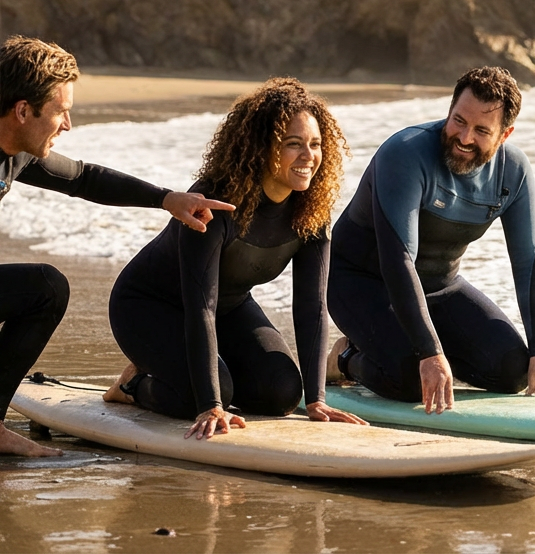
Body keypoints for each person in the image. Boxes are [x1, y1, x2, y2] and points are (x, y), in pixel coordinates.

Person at [0, 35, 236, 456]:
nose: (68, 125)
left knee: (45, 288)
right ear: (22, 111)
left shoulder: (15, 148)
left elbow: (83, 178)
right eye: (62, 112)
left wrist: (167, 199)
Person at [104, 79, 367, 439]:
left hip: (228, 308)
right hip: (148, 307)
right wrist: (211, 402)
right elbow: (201, 308)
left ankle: (196, 371)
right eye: (293, 144)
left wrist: (316, 400)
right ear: (262, 147)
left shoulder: (310, 212)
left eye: (316, 144)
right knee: (209, 394)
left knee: (281, 392)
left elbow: (311, 307)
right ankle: (134, 386)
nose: (309, 156)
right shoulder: (215, 204)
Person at [327, 66, 535, 415]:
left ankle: (406, 345)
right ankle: (346, 358)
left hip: (439, 286)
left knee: (512, 371)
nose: (464, 137)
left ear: (505, 134)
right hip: (361, 280)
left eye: (481, 130)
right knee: (411, 378)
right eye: (458, 121)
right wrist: (430, 353)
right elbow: (398, 260)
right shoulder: (405, 154)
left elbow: (529, 262)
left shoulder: (514, 172)